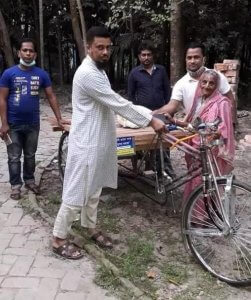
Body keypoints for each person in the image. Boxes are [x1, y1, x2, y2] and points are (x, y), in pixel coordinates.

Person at [52, 26, 166, 259]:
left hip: (100, 140)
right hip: (85, 143)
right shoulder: (87, 74)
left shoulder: (99, 70)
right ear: (88, 47)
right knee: (76, 191)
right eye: (100, 47)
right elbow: (117, 102)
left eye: (108, 47)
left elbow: (111, 104)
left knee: (94, 189)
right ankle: (58, 238)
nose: (105, 52)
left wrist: (150, 116)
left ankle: (89, 227)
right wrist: (150, 119)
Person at [0, 38, 63, 200]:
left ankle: (29, 180)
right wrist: (4, 123)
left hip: (33, 123)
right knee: (14, 156)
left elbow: (51, 96)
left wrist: (59, 119)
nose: (28, 53)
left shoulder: (41, 74)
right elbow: (2, 99)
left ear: (35, 53)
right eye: (25, 50)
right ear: (19, 52)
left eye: (31, 51)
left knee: (30, 155)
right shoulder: (9, 74)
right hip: (13, 124)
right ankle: (15, 186)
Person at [168, 70, 235, 202]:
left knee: (208, 182)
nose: (207, 86)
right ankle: (194, 215)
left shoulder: (222, 103)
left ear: (216, 86)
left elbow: (224, 129)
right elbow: (193, 125)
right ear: (200, 83)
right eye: (204, 82)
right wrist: (174, 121)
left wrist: (214, 135)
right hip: (196, 149)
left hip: (211, 151)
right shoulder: (199, 101)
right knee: (195, 180)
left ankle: (205, 216)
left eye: (211, 83)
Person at [153, 42, 236, 125]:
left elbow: (231, 100)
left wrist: (232, 124)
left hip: (218, 128)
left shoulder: (217, 77)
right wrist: (150, 116)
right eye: (189, 58)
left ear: (204, 59)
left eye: (196, 57)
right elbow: (172, 106)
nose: (192, 61)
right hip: (194, 128)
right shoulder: (181, 84)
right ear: (185, 59)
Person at [127, 41, 174, 177]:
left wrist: (168, 109)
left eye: (148, 55)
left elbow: (167, 91)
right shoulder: (134, 73)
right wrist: (136, 111)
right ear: (139, 57)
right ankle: (137, 168)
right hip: (142, 115)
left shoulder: (161, 70)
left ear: (153, 56)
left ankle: (162, 169)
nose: (146, 57)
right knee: (141, 142)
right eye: (143, 55)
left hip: (160, 113)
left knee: (162, 141)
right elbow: (130, 95)